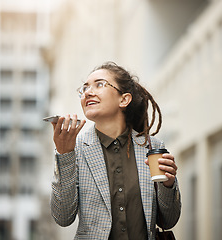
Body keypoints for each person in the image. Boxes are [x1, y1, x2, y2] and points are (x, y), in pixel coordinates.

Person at [50, 62, 181, 239]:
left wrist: (168, 185)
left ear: (124, 99)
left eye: (100, 84)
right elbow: (63, 217)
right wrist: (65, 155)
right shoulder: (75, 148)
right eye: (85, 87)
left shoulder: (152, 147)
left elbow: (169, 220)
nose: (88, 92)